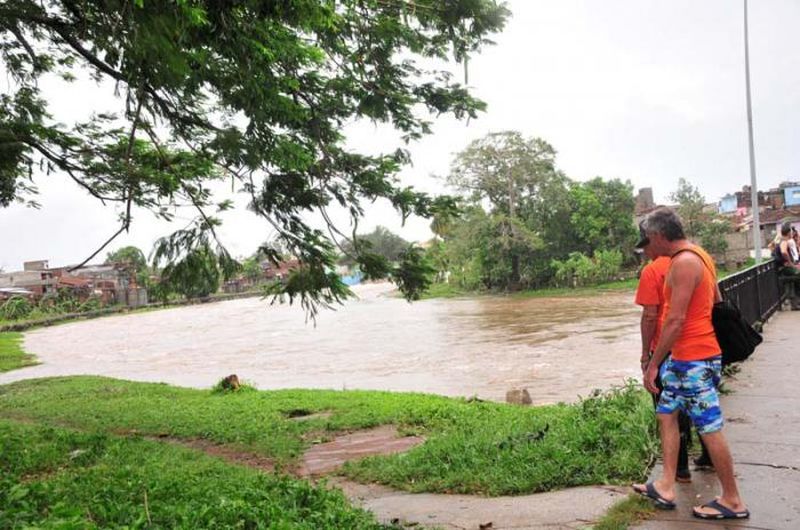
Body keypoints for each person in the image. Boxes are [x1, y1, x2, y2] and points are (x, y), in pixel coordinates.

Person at [632, 208, 749, 520]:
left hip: (694, 359)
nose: (646, 248)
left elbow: (675, 320)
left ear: (658, 236)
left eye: (647, 241)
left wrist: (654, 363)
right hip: (687, 358)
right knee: (666, 413)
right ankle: (666, 484)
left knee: (709, 427)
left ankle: (732, 499)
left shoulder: (684, 262)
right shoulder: (698, 254)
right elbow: (713, 301)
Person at [633, 225, 692, 482]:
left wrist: (646, 356)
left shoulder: (652, 271)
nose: (644, 254)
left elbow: (650, 315)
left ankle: (679, 469)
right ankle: (705, 458)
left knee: (667, 411)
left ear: (652, 243)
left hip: (665, 347)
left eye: (644, 248)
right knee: (697, 404)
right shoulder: (694, 259)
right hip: (693, 346)